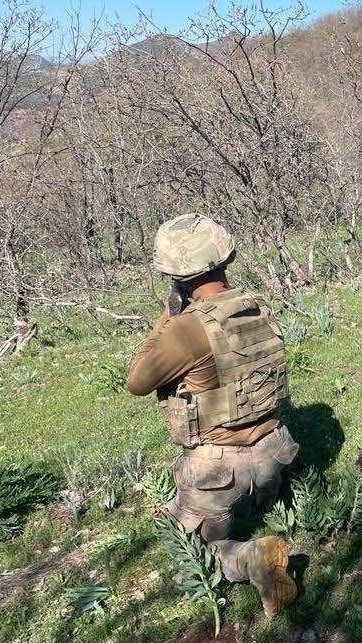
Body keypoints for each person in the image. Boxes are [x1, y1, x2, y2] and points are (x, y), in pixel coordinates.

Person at [126, 213, 298, 616]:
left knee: (191, 548)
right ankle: (239, 510)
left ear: (175, 275)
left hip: (220, 474)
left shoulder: (185, 329)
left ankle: (252, 558)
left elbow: (137, 380)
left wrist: (167, 316)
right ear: (224, 258)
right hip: (275, 457)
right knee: (187, 508)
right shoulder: (254, 305)